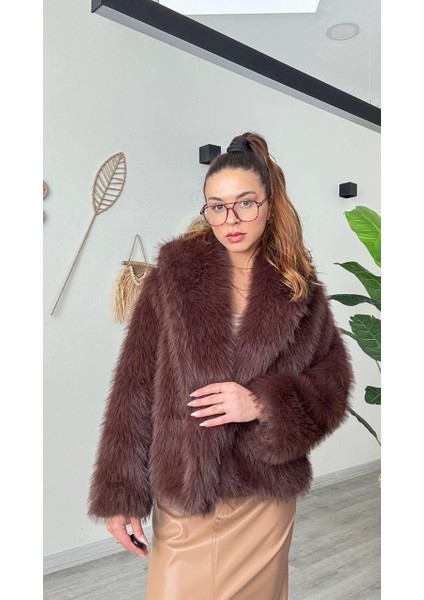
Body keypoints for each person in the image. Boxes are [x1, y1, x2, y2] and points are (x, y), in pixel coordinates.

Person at [88, 132, 353, 599]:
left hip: (262, 496)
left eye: (245, 203)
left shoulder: (300, 289)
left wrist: (263, 402)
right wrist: (120, 492)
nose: (230, 219)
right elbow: (134, 385)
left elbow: (333, 385)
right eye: (217, 206)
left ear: (269, 204)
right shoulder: (173, 277)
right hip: (186, 490)